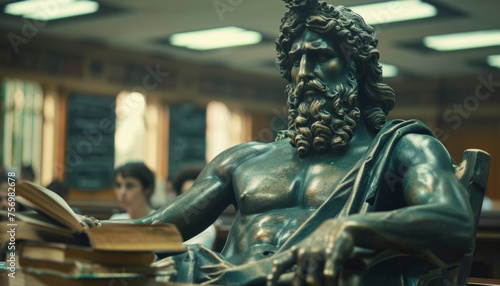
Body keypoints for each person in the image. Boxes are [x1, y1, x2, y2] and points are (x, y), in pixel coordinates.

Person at [89, 1, 476, 284]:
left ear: (355, 68)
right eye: (295, 60)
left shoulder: (401, 149)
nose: (304, 72)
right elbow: (159, 229)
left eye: (320, 56)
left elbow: (455, 222)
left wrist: (353, 229)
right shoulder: (244, 159)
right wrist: (81, 229)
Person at [170, 167, 217, 249]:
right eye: (185, 194)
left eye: (193, 194)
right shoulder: (171, 223)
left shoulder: (206, 229)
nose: (189, 199)